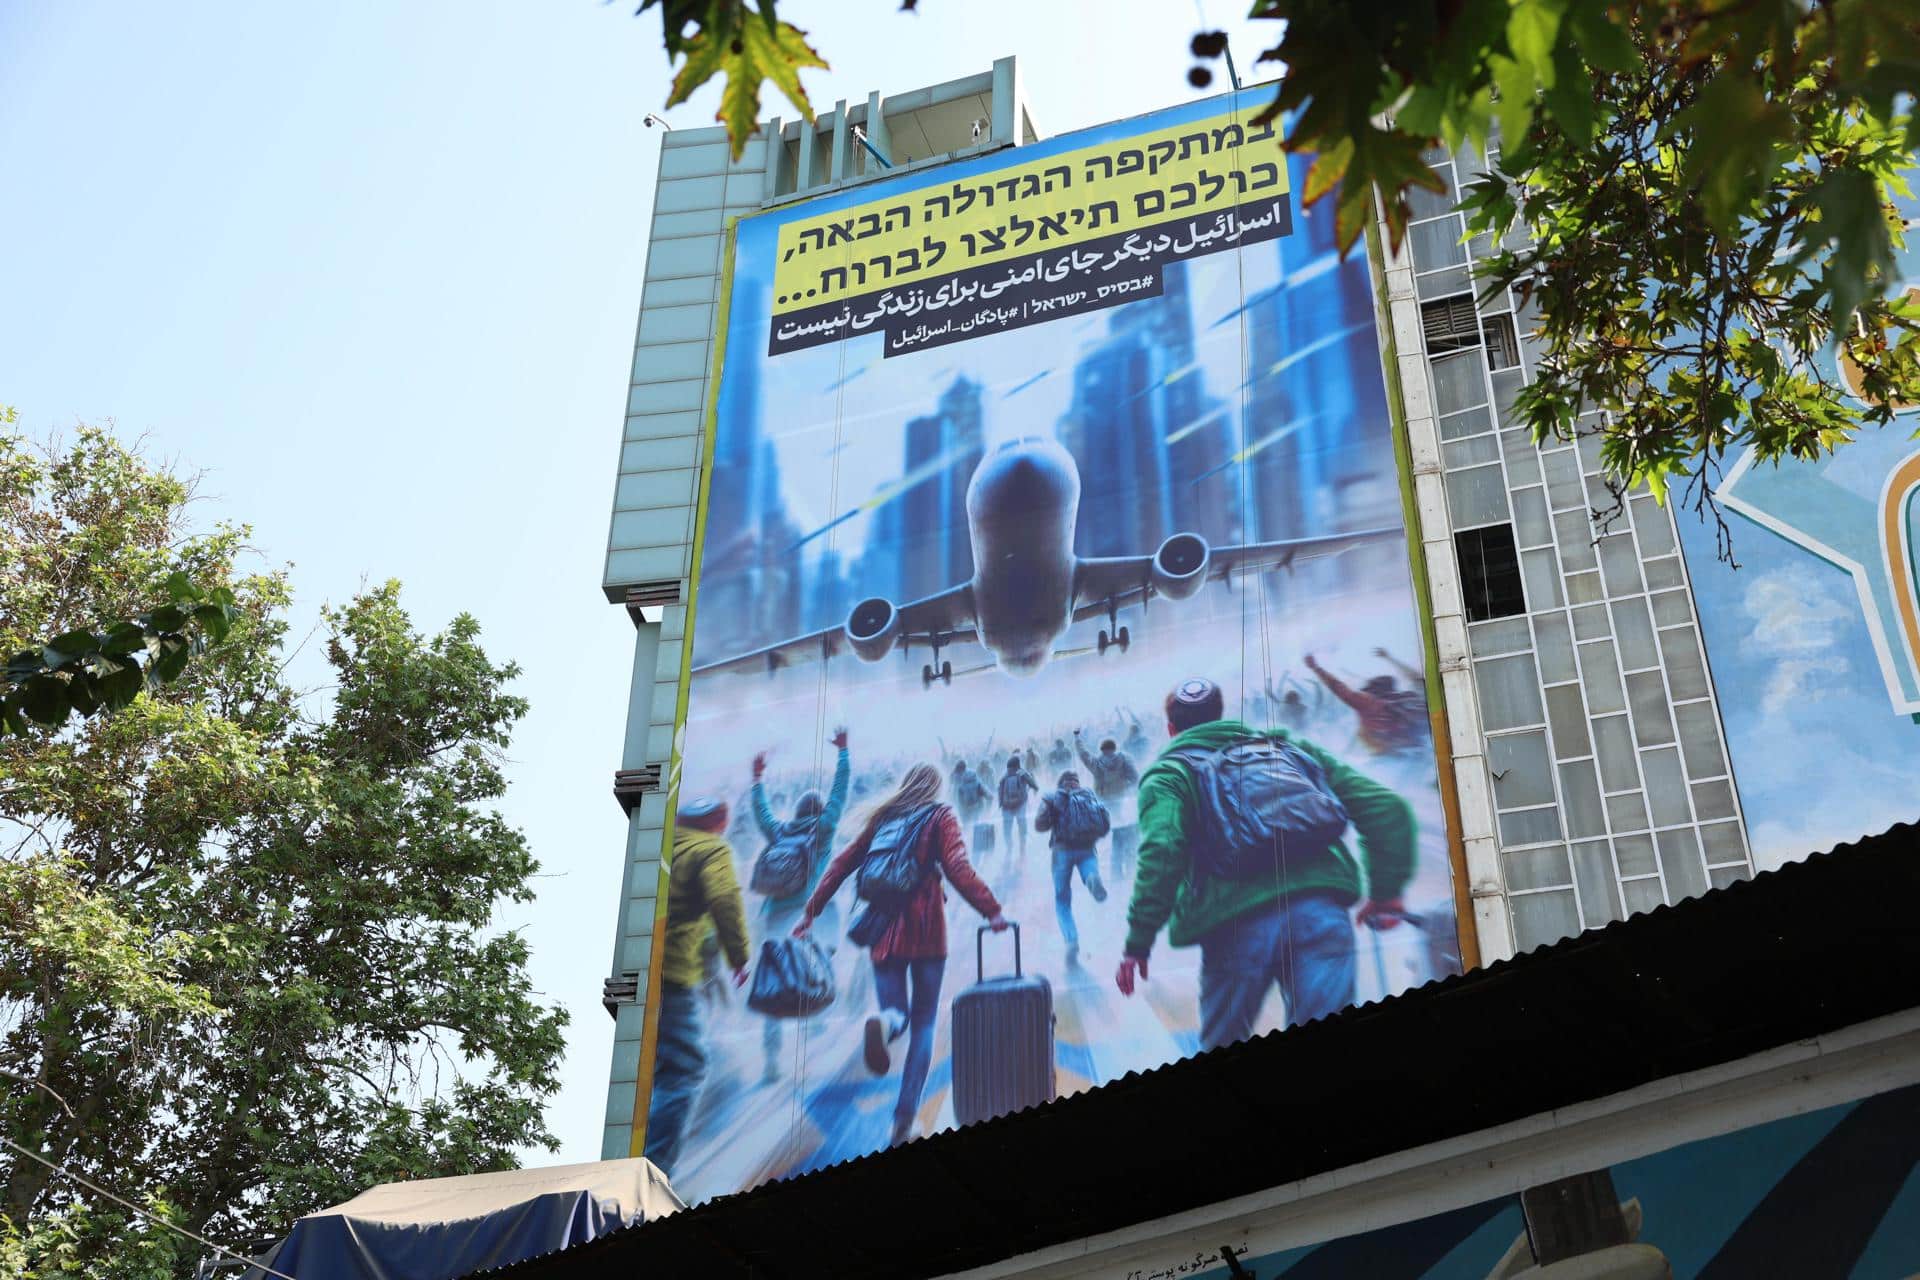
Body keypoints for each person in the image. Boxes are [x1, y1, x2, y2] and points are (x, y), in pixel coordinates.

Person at [1114, 677, 1416, 1051]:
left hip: (1234, 927)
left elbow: (1162, 850)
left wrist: (1137, 943)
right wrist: (1386, 892)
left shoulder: (1170, 774)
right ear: (1220, 714)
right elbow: (1384, 807)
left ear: (1172, 729)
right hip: (1322, 914)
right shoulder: (1287, 748)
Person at [795, 764, 1006, 1148]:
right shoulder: (940, 815)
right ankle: (902, 1124)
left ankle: (885, 1020)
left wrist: (811, 911)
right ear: (935, 787)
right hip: (926, 931)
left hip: (883, 930)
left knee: (898, 1012)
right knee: (925, 1024)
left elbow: (841, 865)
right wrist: (991, 909)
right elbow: (957, 867)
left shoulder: (884, 819)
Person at [643, 796, 751, 1180]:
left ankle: (638, 1159)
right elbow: (724, 899)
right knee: (686, 1069)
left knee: (653, 1072)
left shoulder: (658, 846)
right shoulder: (711, 848)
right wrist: (739, 957)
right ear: (718, 822)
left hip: (638, 974)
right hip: (673, 973)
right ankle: (652, 1176)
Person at [748, 728, 851, 1083]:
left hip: (775, 922)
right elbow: (840, 793)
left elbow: (762, 814)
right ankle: (819, 1031)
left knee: (775, 986)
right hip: (809, 922)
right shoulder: (821, 832)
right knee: (816, 974)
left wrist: (757, 778)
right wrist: (843, 753)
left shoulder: (781, 832)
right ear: (821, 811)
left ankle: (772, 1061)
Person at [1033, 770, 1110, 964]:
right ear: (1077, 782)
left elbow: (1039, 825)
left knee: (1062, 900)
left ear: (1061, 783)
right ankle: (1091, 878)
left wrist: (1052, 814)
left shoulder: (1053, 796)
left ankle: (1071, 940)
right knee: (1089, 872)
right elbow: (1103, 821)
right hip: (1087, 847)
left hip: (1062, 851)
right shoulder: (1088, 794)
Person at [1304, 651, 1429, 755]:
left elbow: (1339, 688)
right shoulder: (1394, 702)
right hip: (1403, 744)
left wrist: (1316, 668)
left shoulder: (1371, 704)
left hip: (1404, 744)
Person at [1075, 729, 1142, 879]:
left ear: (1102, 750)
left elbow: (1083, 754)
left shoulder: (1097, 764)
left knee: (1117, 842)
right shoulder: (1124, 759)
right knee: (1130, 840)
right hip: (1124, 805)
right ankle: (1131, 873)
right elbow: (1136, 779)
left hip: (1106, 807)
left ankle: (1117, 876)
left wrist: (1077, 738)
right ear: (1114, 748)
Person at [997, 754, 1041, 862]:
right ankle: (1022, 848)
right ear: (1018, 764)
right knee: (1022, 826)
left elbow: (999, 791)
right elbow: (1035, 786)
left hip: (1006, 807)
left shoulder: (1004, 775)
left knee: (1007, 829)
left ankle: (1009, 847)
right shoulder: (1022, 773)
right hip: (1020, 805)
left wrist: (1001, 804)